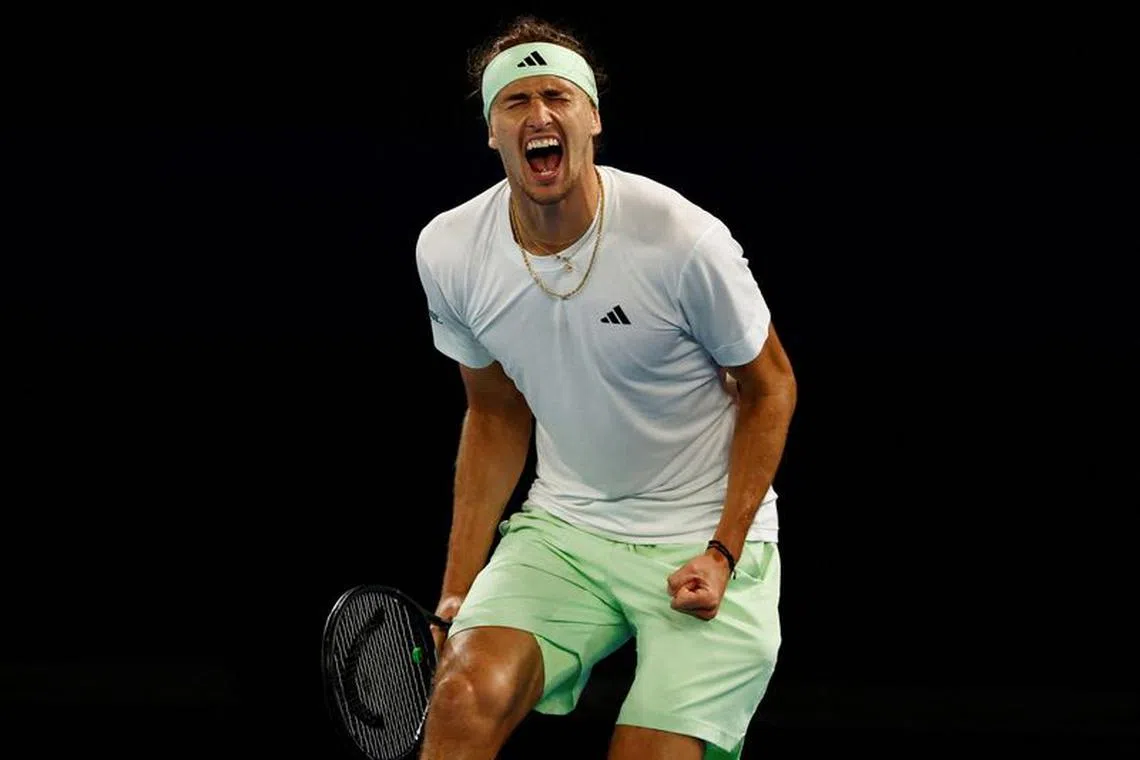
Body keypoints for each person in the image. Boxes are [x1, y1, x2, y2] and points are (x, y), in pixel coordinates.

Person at [412, 15, 797, 760]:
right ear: (492, 131)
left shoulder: (682, 240)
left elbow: (770, 389)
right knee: (460, 699)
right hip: (564, 532)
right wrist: (457, 588)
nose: (538, 115)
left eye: (556, 95)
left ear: (591, 116)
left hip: (704, 532)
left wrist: (722, 549)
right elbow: (493, 413)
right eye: (514, 103)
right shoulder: (451, 249)